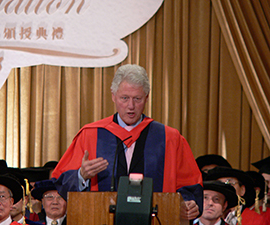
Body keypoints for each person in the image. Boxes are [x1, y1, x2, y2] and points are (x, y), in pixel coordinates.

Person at [51, 64, 203, 220]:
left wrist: (188, 202)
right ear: (113, 96)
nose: (131, 106)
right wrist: (81, 176)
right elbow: (60, 182)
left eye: (137, 99)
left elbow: (189, 186)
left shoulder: (169, 138)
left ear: (147, 97)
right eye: (125, 98)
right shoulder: (90, 134)